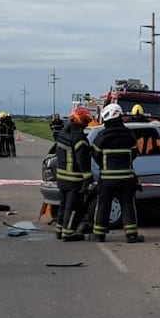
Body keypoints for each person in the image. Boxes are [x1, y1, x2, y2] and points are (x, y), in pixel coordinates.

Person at [90, 103, 144, 243]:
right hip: (127, 177)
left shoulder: (102, 136)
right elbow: (135, 153)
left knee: (103, 205)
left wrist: (105, 166)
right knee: (127, 204)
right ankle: (131, 235)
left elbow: (95, 154)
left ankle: (99, 235)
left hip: (107, 178)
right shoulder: (129, 134)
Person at [54, 106, 95, 241]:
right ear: (81, 120)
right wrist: (88, 178)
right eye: (86, 121)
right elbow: (82, 160)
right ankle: (68, 233)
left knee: (63, 204)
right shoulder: (79, 138)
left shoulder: (63, 133)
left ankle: (59, 230)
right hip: (74, 179)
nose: (87, 124)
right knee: (72, 207)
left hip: (61, 177)